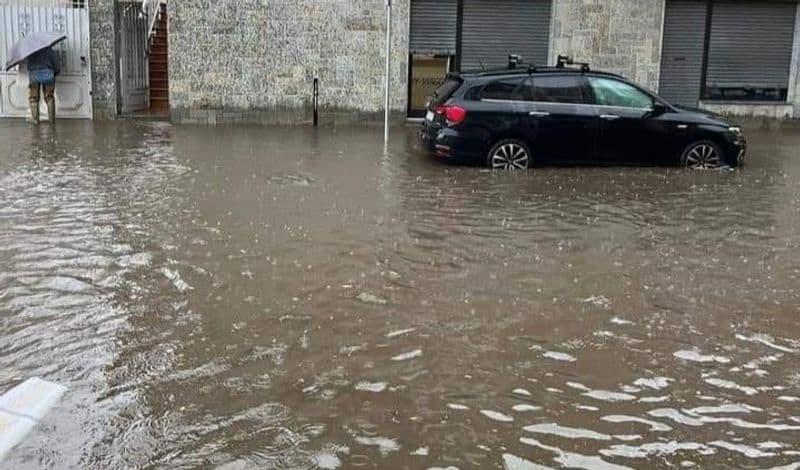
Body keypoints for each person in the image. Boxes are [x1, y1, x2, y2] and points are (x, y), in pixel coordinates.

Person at [27, 46, 60, 124]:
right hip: (48, 73)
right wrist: (55, 73)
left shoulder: (30, 51)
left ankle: (35, 120)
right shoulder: (50, 50)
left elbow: (28, 65)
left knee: (33, 98)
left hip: (34, 74)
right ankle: (51, 120)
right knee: (50, 97)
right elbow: (56, 64)